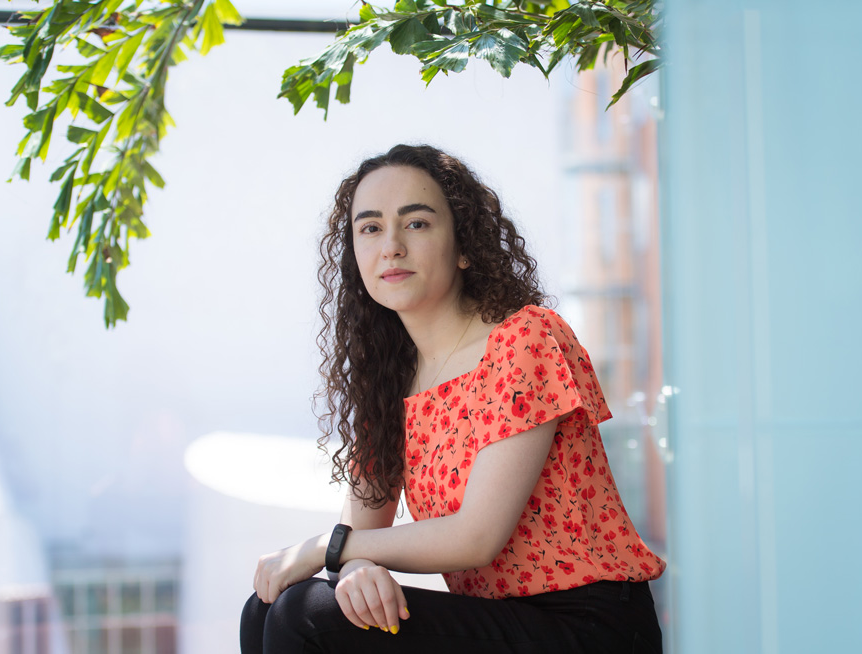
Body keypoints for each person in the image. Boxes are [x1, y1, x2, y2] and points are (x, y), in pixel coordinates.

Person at [240, 144, 665, 653]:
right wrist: (353, 567)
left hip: (589, 626)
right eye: (370, 228)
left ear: (464, 246)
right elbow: (359, 530)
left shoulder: (525, 340)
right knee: (265, 607)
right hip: (493, 621)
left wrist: (326, 551)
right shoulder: (390, 381)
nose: (391, 246)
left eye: (416, 223)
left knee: (306, 615)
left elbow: (476, 538)